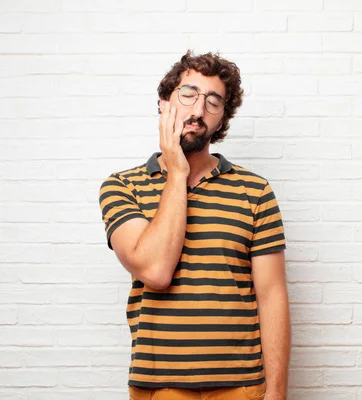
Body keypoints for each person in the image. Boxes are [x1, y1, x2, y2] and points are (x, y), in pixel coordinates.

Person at [98, 50, 290, 400]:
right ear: (164, 104)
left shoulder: (255, 190)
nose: (199, 110)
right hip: (159, 385)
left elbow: (272, 295)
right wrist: (177, 172)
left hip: (242, 386)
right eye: (188, 94)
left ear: (221, 121)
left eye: (213, 102)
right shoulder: (122, 186)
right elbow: (156, 271)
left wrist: (276, 392)